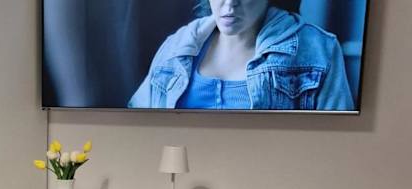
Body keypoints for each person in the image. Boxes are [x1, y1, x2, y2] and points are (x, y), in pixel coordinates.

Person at [128, 0, 354, 111]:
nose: (229, 4)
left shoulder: (316, 49)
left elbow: (337, 145)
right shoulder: (177, 47)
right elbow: (139, 133)